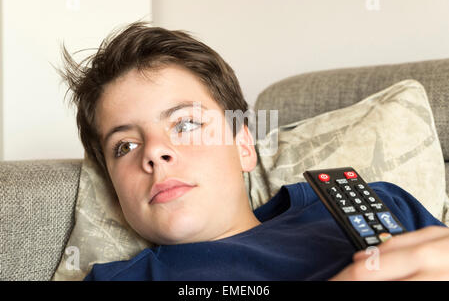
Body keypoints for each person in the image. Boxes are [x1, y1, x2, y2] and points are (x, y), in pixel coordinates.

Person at [60, 22, 448, 281]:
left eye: (186, 124)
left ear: (244, 145)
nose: (155, 152)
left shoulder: (380, 202)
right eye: (124, 145)